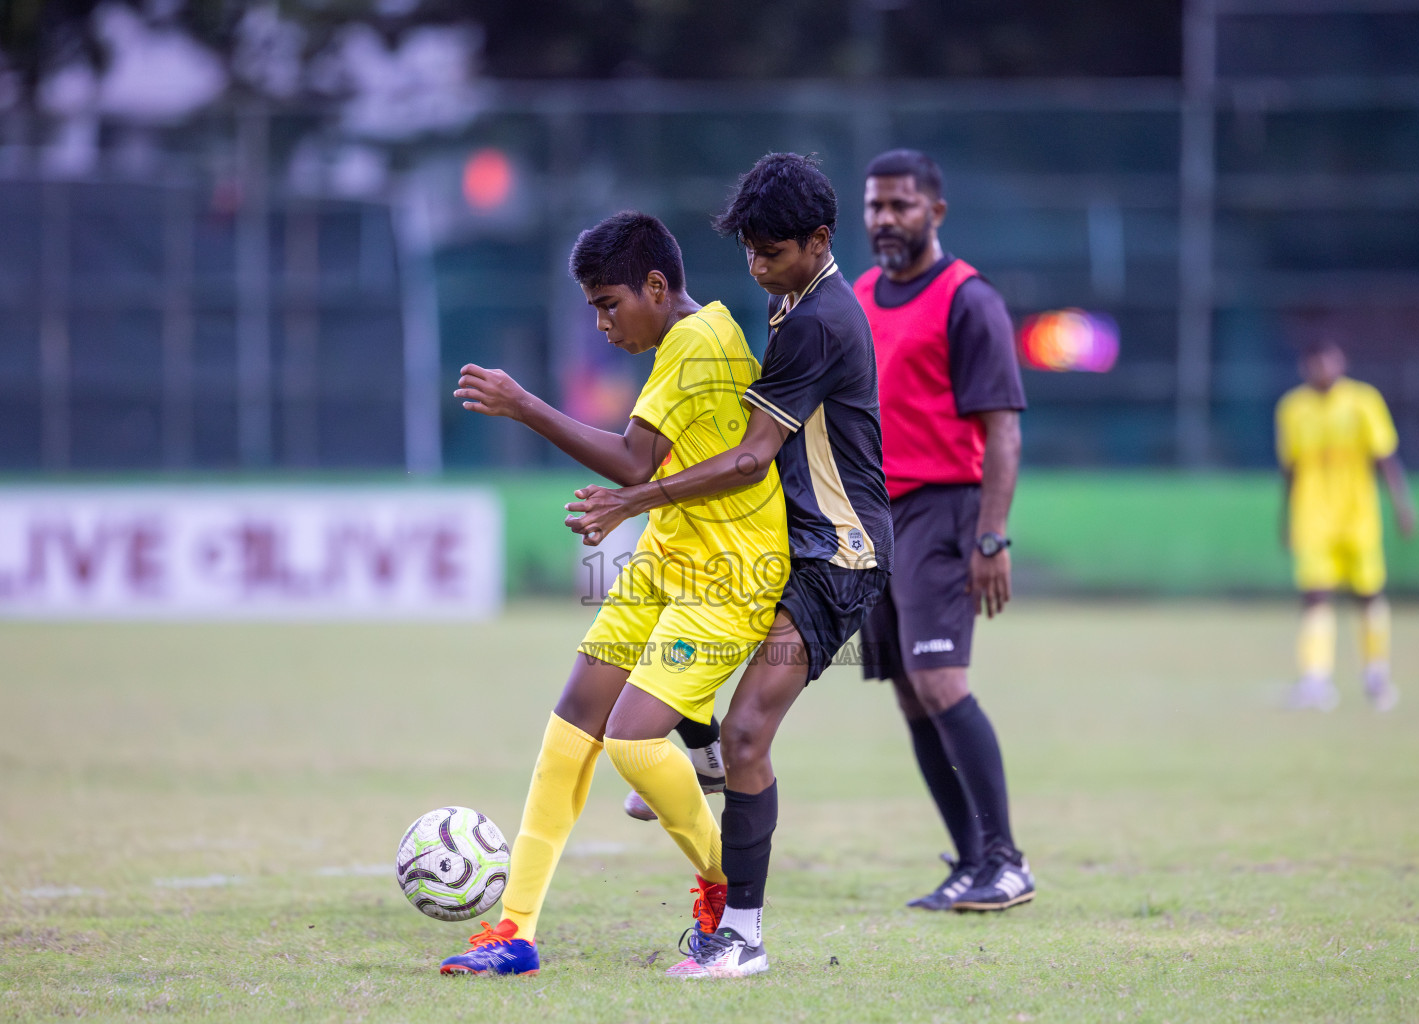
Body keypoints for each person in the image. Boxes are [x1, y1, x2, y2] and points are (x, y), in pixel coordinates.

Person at [565, 153, 892, 977]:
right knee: (695, 641)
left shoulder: (818, 322)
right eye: (747, 250)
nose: (756, 267)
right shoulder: (793, 301)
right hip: (792, 546)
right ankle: (700, 752)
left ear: (819, 241)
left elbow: (751, 458)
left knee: (752, 733)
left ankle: (740, 935)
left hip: (838, 555)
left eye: (772, 253)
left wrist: (632, 502)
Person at [437, 212, 788, 976]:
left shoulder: (694, 346)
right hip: (669, 560)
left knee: (631, 741)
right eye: (594, 308)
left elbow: (634, 464)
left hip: (730, 577)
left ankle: (728, 890)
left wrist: (524, 403)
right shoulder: (706, 327)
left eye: (607, 303)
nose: (600, 323)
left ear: (656, 287)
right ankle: (515, 931)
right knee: (572, 728)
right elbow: (656, 468)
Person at [853, 149, 1035, 912]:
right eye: (874, 206)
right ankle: (969, 862)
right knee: (907, 693)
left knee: (940, 680)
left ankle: (1007, 860)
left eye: (901, 205)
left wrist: (991, 539)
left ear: (936, 212)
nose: (886, 220)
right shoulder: (857, 295)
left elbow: (1002, 433)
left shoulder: (969, 299)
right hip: (872, 517)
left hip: (943, 508)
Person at [1277, 336, 1417, 712]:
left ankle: (1376, 673)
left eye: (1329, 361)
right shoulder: (1292, 409)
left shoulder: (1363, 402)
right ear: (1305, 366)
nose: (1323, 369)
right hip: (1313, 517)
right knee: (1315, 598)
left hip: (1358, 516)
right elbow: (1289, 470)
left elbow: (1385, 458)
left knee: (1368, 595)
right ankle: (1315, 679)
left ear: (1341, 362)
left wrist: (1402, 505)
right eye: (1315, 362)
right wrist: (1285, 518)